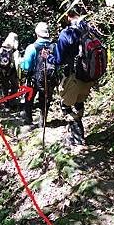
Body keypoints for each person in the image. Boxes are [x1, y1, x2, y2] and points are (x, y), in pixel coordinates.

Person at [48, 10, 97, 145]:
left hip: (73, 76)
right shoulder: (90, 28)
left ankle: (77, 138)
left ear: (67, 15)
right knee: (79, 102)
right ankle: (79, 133)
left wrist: (48, 57)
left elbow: (58, 59)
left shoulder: (67, 33)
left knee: (66, 105)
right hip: (89, 76)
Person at [20, 22, 56, 127]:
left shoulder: (32, 47)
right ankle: (42, 121)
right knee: (45, 99)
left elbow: (26, 66)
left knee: (29, 97)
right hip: (50, 77)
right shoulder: (54, 46)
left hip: (34, 78)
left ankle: (28, 119)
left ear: (36, 34)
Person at [0, 32, 20, 107]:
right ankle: (12, 102)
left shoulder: (2, 48)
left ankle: (5, 102)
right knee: (15, 86)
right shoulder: (14, 50)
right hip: (10, 72)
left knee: (4, 86)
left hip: (1, 71)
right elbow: (17, 63)